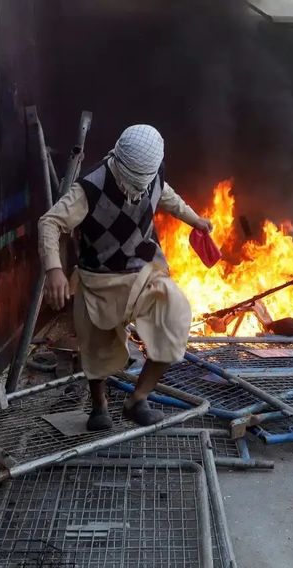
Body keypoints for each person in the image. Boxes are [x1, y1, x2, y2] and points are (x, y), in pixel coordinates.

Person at [38, 124, 213, 431]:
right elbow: (50, 222)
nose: (140, 188)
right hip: (99, 279)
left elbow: (167, 196)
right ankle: (99, 407)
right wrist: (54, 270)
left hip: (144, 273)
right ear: (120, 161)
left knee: (174, 319)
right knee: (96, 347)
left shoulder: (153, 175)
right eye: (135, 182)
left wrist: (196, 221)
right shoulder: (89, 188)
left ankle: (138, 399)